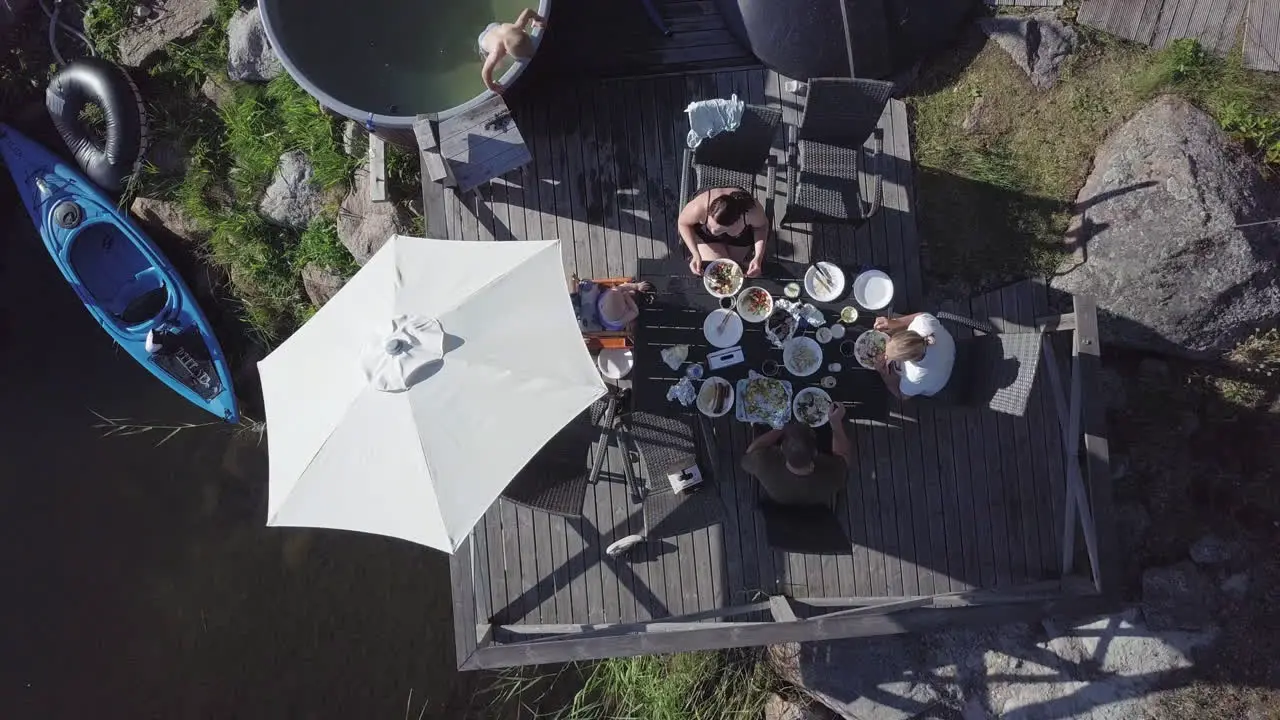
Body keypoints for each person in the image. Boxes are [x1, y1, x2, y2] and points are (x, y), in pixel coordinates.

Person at [741, 404, 852, 506]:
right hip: (814, 497)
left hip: (782, 497)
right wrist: (836, 423)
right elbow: (843, 455)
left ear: (781, 448)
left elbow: (750, 451)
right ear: (816, 452)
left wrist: (780, 428)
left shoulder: (762, 462)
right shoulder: (834, 476)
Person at [676, 187, 769, 278]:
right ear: (708, 212)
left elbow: (761, 226)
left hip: (740, 238)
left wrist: (758, 257)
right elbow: (683, 223)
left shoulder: (752, 212)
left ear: (738, 220)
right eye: (712, 227)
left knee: (733, 269)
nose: (713, 231)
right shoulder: (699, 207)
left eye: (722, 229)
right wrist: (695, 253)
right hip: (706, 237)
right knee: (718, 272)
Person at [873, 312, 956, 399]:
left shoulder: (915, 377)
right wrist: (893, 323)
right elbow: (921, 314)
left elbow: (902, 395)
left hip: (941, 383)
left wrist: (884, 374)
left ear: (904, 360)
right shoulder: (922, 323)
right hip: (949, 351)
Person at [478, 8, 544, 95]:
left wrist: (537, 19)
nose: (530, 55)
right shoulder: (497, 52)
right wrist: (492, 86)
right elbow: (485, 72)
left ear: (523, 32)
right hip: (484, 39)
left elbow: (528, 11)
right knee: (497, 66)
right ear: (507, 51)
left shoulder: (517, 27)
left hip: (494, 26)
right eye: (526, 55)